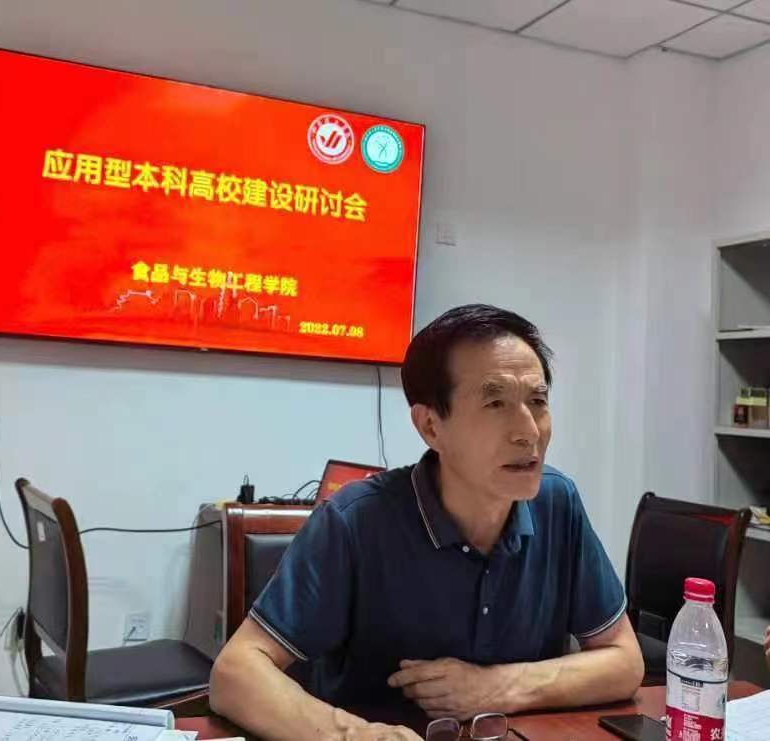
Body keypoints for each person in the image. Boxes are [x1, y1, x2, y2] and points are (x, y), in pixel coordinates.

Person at [210, 304, 644, 740]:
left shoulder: (557, 502)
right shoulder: (354, 520)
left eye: (537, 401)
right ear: (431, 426)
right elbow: (236, 672)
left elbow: (624, 660)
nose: (528, 431)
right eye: (495, 403)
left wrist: (496, 686)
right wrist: (355, 736)